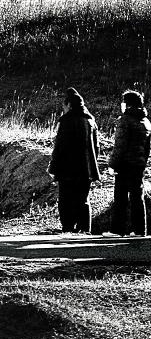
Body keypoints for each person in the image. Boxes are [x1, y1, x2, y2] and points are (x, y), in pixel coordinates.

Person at [48, 87, 100, 233]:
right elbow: (96, 147)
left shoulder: (67, 121)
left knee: (66, 200)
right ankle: (85, 229)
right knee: (84, 200)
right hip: (87, 169)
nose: (63, 109)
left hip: (68, 169)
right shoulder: (90, 121)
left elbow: (60, 147)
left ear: (69, 105)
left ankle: (68, 229)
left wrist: (53, 168)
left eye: (64, 106)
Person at [108, 90, 151, 236]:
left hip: (125, 164)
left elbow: (119, 146)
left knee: (120, 197)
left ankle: (117, 230)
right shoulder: (146, 122)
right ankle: (140, 230)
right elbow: (147, 148)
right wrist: (142, 162)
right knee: (137, 197)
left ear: (126, 104)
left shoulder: (124, 120)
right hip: (138, 165)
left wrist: (112, 164)